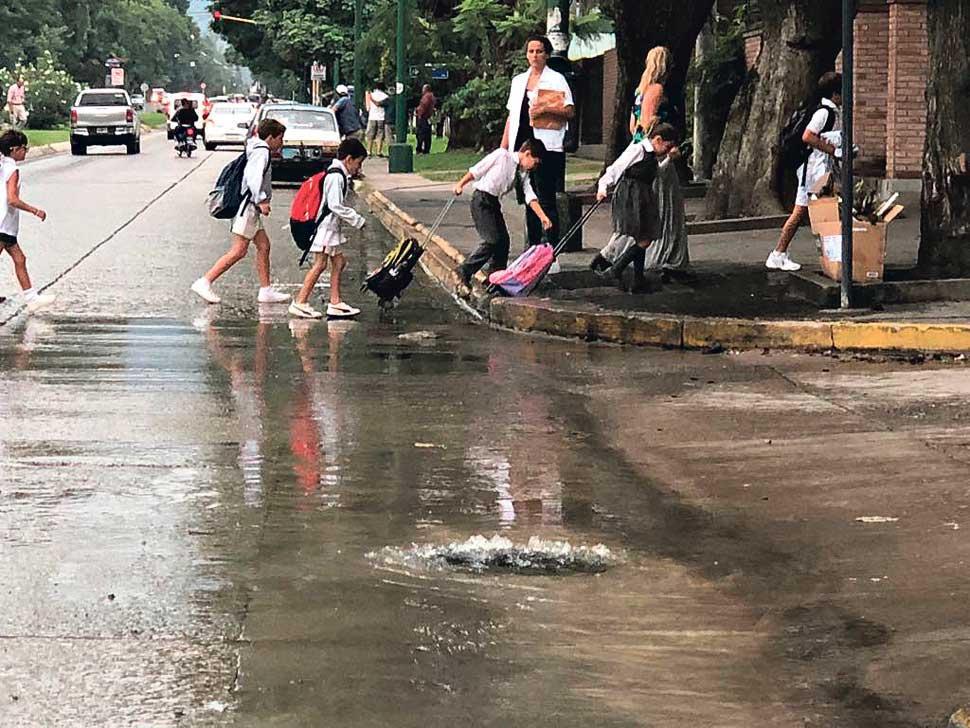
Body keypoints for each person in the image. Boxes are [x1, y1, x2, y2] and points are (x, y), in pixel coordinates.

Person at [590, 46, 689, 279]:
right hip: (655, 152)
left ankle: (618, 258)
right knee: (663, 208)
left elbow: (633, 125)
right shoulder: (657, 90)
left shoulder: (640, 90)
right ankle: (664, 257)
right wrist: (662, 146)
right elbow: (647, 123)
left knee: (643, 212)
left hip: (642, 146)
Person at [191, 118, 291, 305]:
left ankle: (266, 290)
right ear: (270, 137)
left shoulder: (255, 148)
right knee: (238, 250)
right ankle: (205, 281)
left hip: (249, 208)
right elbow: (253, 178)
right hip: (248, 208)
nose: (281, 143)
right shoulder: (261, 152)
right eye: (280, 138)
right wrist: (261, 200)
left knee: (264, 246)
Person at [452, 139, 553, 295]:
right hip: (481, 200)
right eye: (535, 162)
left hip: (493, 202)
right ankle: (463, 271)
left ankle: (495, 279)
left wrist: (543, 216)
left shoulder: (522, 173)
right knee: (492, 240)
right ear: (527, 154)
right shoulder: (502, 156)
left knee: (503, 242)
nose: (534, 166)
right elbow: (477, 170)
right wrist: (460, 184)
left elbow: (529, 195)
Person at [501, 34, 574, 248]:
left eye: (539, 51)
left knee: (546, 198)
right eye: (531, 51)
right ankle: (532, 247)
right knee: (528, 199)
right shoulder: (518, 82)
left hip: (547, 147)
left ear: (547, 54)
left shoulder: (556, 79)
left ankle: (551, 247)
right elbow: (512, 116)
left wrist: (545, 109)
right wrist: (504, 147)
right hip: (523, 148)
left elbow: (569, 110)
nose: (535, 55)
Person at [767, 71, 843, 272]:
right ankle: (779, 253)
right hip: (813, 171)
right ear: (835, 94)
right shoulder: (824, 113)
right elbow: (808, 136)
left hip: (819, 170)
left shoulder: (829, 112)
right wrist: (834, 151)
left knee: (817, 211)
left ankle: (833, 256)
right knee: (806, 211)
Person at [594, 123, 679, 293]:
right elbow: (616, 168)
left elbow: (656, 173)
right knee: (644, 238)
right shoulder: (638, 149)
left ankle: (637, 279)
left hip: (643, 194)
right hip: (631, 194)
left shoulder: (652, 155)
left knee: (643, 236)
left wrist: (669, 158)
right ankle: (617, 270)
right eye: (667, 146)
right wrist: (603, 187)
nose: (666, 150)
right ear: (658, 139)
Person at [289, 138, 367, 320]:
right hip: (325, 229)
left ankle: (335, 301)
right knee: (320, 264)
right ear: (349, 159)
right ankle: (300, 302)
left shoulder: (337, 174)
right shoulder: (336, 177)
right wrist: (357, 219)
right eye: (358, 163)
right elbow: (334, 205)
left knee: (339, 262)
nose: (359, 168)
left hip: (330, 228)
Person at [0, 130, 54, 312]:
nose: (26, 152)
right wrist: (35, 210)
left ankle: (32, 299)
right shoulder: (12, 170)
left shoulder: (3, 166)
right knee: (19, 259)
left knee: (20, 259)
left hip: (6, 225)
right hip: (3, 223)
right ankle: (32, 298)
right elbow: (12, 199)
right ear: (14, 149)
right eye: (24, 148)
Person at [364, 83, 390, 157]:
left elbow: (367, 107)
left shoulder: (371, 95)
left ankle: (369, 151)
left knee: (370, 135)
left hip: (372, 116)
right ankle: (379, 151)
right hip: (381, 117)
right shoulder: (385, 96)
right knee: (380, 134)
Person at [415, 84, 436, 155]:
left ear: (425, 89)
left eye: (423, 89)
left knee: (421, 134)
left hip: (423, 118)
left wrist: (419, 112)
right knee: (427, 134)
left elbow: (424, 106)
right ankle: (426, 149)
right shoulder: (432, 96)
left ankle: (419, 149)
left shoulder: (426, 97)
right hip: (428, 118)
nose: (422, 90)